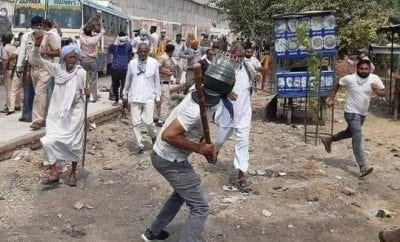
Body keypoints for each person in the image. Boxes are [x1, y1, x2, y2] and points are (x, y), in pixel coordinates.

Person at [142, 58, 236, 242]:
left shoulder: (202, 93)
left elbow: (196, 131)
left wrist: (206, 148)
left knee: (181, 192)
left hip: (167, 156)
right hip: (169, 159)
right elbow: (168, 135)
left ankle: (153, 232)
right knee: (200, 207)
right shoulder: (194, 109)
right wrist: (200, 149)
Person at [31, 31, 88, 186]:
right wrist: (37, 45)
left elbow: (84, 93)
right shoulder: (57, 70)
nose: (73, 59)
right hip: (57, 115)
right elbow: (36, 60)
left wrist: (87, 94)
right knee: (49, 141)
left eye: (75, 57)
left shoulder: (81, 73)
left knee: (74, 145)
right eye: (70, 57)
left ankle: (73, 173)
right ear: (64, 58)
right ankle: (54, 172)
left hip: (75, 114)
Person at [321, 59, 387, 177]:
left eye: (366, 69)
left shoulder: (374, 79)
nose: (363, 71)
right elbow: (337, 83)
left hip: (362, 113)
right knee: (357, 135)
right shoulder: (350, 78)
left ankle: (329, 140)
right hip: (350, 112)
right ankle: (363, 166)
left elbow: (384, 93)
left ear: (369, 69)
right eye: (361, 68)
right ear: (357, 68)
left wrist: (376, 91)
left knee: (349, 133)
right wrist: (331, 98)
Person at [215, 45, 256, 192]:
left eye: (242, 56)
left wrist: (258, 76)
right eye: (237, 56)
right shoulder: (224, 69)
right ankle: (215, 150)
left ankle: (240, 175)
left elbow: (253, 81)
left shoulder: (247, 68)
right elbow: (213, 85)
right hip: (228, 112)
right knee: (220, 139)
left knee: (242, 143)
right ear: (231, 55)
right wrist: (225, 92)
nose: (239, 59)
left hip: (244, 113)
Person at [16, 16, 60, 130]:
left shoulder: (49, 36)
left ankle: (37, 120)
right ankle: (45, 118)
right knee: (40, 95)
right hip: (33, 69)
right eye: (37, 26)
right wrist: (19, 67)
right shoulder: (27, 37)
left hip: (45, 68)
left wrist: (44, 52)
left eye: (41, 25)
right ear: (32, 27)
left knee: (39, 95)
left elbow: (57, 52)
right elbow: (23, 52)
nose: (39, 28)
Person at [122, 43, 161, 154]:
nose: (143, 53)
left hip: (149, 96)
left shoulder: (154, 63)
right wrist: (125, 95)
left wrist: (158, 97)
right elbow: (128, 80)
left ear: (148, 52)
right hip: (135, 97)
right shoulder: (132, 64)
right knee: (135, 123)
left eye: (145, 51)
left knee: (149, 122)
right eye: (141, 51)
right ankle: (139, 145)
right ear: (137, 52)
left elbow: (157, 81)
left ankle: (153, 137)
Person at [79, 15, 105, 103]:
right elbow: (102, 31)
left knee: (84, 79)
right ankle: (93, 97)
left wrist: (88, 23)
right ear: (91, 32)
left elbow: (82, 29)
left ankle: (84, 96)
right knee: (93, 79)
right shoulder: (94, 39)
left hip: (83, 60)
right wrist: (100, 22)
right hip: (92, 61)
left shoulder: (82, 38)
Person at [108, 31, 132, 106]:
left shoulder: (128, 46)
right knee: (115, 86)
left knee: (125, 86)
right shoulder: (113, 46)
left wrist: (128, 64)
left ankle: (124, 100)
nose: (122, 42)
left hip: (125, 69)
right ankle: (116, 99)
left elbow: (130, 56)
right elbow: (109, 56)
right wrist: (109, 66)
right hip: (115, 69)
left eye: (123, 41)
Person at [155, 44, 176, 126]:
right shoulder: (163, 58)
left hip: (165, 81)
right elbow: (157, 68)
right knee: (165, 101)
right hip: (162, 82)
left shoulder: (169, 58)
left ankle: (159, 117)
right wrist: (167, 72)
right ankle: (161, 120)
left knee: (161, 101)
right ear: (171, 51)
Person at [1, 33, 19, 115]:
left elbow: (5, 62)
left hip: (8, 70)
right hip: (15, 69)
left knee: (9, 89)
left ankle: (9, 107)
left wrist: (2, 73)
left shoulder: (5, 49)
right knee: (15, 88)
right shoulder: (14, 47)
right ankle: (17, 105)